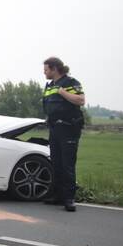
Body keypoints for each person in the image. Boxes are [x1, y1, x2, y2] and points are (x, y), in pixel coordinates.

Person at [41, 56, 85, 212]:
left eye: (46, 69)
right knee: (56, 163)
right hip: (54, 129)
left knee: (68, 165)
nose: (44, 72)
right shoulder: (49, 85)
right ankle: (57, 196)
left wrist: (62, 92)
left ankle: (69, 199)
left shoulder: (70, 82)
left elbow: (80, 100)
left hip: (69, 129)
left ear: (54, 69)